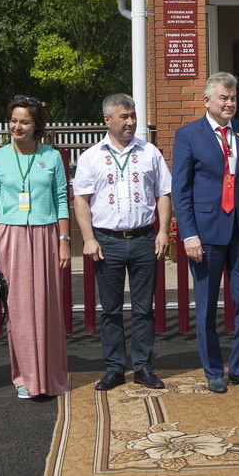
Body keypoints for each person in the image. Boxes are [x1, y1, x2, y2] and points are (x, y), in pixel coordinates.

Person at [172, 72, 239, 393]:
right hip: (205, 236)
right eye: (224, 98)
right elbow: (181, 190)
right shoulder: (188, 135)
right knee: (206, 306)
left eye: (233, 98)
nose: (230, 104)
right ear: (207, 101)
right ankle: (213, 370)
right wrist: (188, 234)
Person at [73, 94, 172, 391]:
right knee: (111, 310)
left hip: (143, 238)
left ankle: (142, 366)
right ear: (107, 120)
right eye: (124, 117)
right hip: (107, 241)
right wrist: (88, 238)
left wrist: (163, 231)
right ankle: (114, 368)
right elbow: (81, 198)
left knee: (144, 309)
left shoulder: (150, 152)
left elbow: (163, 193)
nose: (130, 122)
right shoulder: (91, 156)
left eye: (133, 116)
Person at [0, 95, 71, 399]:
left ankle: (51, 375)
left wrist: (64, 241)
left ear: (37, 125)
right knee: (20, 309)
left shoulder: (51, 157)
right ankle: (24, 376)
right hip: (10, 235)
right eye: (13, 120)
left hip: (45, 234)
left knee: (47, 306)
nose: (17, 126)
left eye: (24, 121)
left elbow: (62, 199)